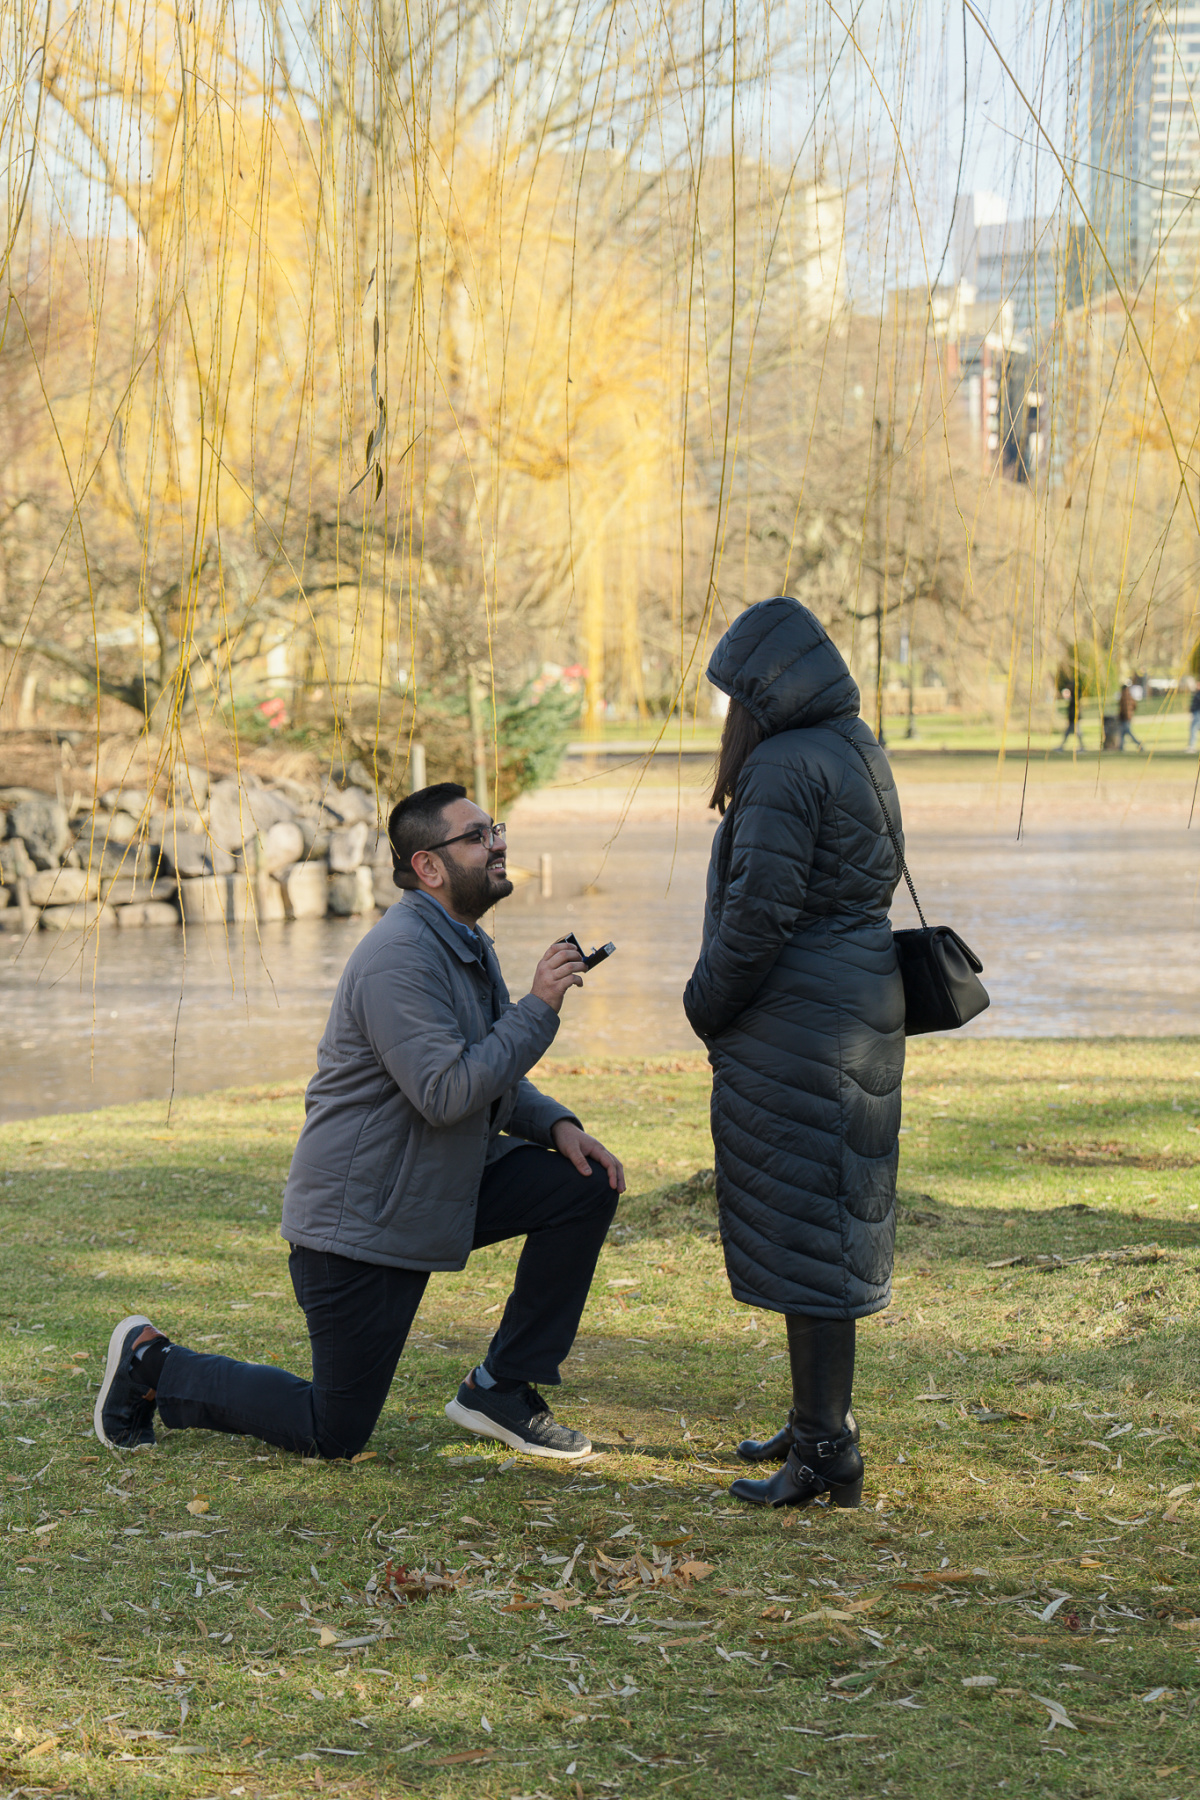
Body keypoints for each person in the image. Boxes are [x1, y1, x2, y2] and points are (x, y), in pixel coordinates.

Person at [95, 783, 625, 1464]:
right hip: (362, 1222)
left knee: (583, 1181)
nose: (497, 843)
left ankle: (499, 1388)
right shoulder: (398, 958)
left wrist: (555, 1125)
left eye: (493, 829)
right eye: (477, 836)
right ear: (430, 866)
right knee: (333, 1431)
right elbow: (446, 1091)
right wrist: (539, 1007)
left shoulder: (464, 943)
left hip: (435, 1185)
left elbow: (488, 1072)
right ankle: (153, 1364)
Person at [683, 597, 905, 1510]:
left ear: (761, 688)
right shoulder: (856, 746)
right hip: (856, 1004)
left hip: (798, 1027)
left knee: (809, 1229)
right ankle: (823, 1419)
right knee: (824, 1222)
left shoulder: (780, 765)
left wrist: (701, 1004)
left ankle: (823, 1453)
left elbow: (758, 918)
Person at [1054, 681, 1085, 753]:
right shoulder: (1073, 697)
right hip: (1072, 718)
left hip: (1074, 718)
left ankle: (1082, 747)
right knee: (1070, 733)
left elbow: (1074, 708)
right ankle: (1062, 746)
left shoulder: (1075, 697)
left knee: (1077, 733)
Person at [1117, 681, 1143, 751]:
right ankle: (1121, 747)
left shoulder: (1124, 697)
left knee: (1128, 732)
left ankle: (1139, 745)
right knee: (1122, 733)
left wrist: (1123, 715)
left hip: (1125, 717)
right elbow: (1135, 706)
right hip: (1128, 717)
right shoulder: (1130, 696)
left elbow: (1123, 708)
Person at [1189, 681, 1200, 753]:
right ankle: (1191, 746)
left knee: (1194, 728)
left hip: (1198, 712)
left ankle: (1191, 746)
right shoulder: (1197, 693)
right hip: (1196, 712)